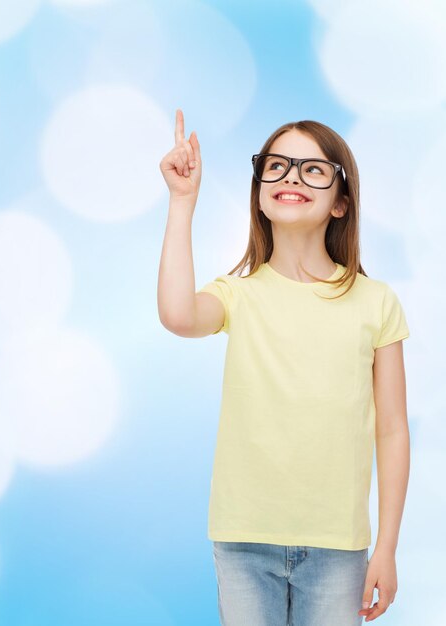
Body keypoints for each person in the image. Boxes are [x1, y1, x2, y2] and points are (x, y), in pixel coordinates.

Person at [157, 110, 410, 625]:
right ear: (259, 190)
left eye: (313, 169)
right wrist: (183, 202)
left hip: (339, 545)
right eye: (277, 166)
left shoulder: (376, 302)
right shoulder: (238, 295)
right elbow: (178, 316)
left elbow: (392, 429)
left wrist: (385, 547)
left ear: (341, 202)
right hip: (244, 540)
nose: (291, 176)